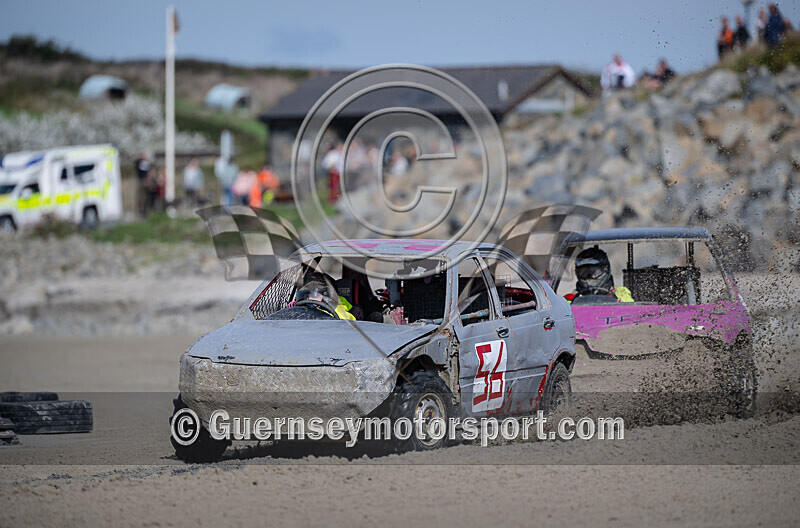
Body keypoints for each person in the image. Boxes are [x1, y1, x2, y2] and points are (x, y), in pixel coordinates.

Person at [267, 272, 355, 320]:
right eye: (305, 295)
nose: (309, 299)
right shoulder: (296, 306)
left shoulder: (338, 307)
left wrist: (333, 308)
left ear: (328, 295)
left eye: (315, 295)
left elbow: (349, 323)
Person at [564, 247, 633, 303]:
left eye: (594, 272)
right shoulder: (569, 299)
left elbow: (632, 312)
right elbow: (561, 314)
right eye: (583, 272)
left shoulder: (621, 292)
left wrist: (622, 306)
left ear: (605, 270)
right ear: (577, 273)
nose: (589, 276)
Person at [134, 151, 151, 217]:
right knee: (140, 196)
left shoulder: (147, 162)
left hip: (146, 180)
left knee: (146, 196)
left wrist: (148, 180)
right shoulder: (138, 162)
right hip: (140, 180)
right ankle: (139, 211)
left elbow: (149, 171)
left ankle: (145, 210)